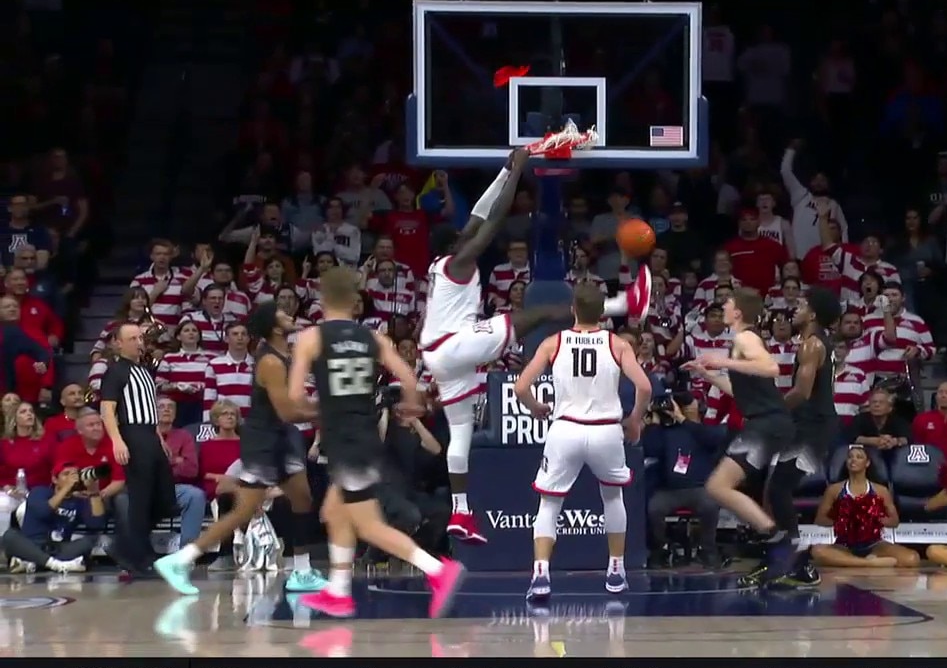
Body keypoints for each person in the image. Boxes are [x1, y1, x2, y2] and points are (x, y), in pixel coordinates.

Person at [418, 149, 652, 543]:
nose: (466, 232)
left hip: (438, 353)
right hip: (454, 343)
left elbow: (477, 215)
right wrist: (518, 175)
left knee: (460, 432)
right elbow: (491, 221)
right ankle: (623, 303)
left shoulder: (441, 264)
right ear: (456, 242)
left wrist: (505, 170)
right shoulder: (461, 261)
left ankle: (461, 512)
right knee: (537, 313)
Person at [292, 268, 465, 619]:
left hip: (344, 439)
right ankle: (338, 591)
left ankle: (437, 570)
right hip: (367, 436)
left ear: (323, 299)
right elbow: (409, 379)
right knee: (334, 512)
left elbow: (296, 397)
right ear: (354, 301)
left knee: (368, 524)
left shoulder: (312, 338)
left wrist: (318, 409)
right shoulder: (373, 338)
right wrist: (411, 406)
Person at [152, 302, 326, 596]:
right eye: (283, 314)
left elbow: (294, 403)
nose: (290, 315)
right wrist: (327, 411)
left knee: (302, 498)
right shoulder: (270, 362)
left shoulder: (285, 354)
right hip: (264, 441)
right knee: (243, 510)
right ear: (274, 327)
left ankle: (302, 571)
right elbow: (287, 411)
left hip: (281, 437)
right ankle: (179, 560)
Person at [514, 283, 651, 600]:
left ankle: (541, 575)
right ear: (603, 312)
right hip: (605, 430)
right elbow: (644, 387)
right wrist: (635, 419)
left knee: (549, 503)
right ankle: (616, 570)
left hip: (566, 429)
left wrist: (535, 407)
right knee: (612, 498)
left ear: (573, 309)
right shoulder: (617, 344)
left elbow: (521, 387)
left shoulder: (554, 342)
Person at [681, 288, 795, 583]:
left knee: (718, 486)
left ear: (739, 312)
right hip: (765, 423)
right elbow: (741, 393)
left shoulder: (746, 338)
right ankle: (776, 543)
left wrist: (722, 362)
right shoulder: (741, 341)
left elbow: (771, 368)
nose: (724, 307)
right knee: (719, 487)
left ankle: (779, 541)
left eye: (728, 304)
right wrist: (707, 374)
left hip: (767, 424)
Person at [743, 286, 844, 588]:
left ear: (812, 314)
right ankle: (793, 560)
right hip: (810, 425)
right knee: (774, 489)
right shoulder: (817, 342)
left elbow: (801, 392)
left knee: (779, 490)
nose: (795, 309)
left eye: (801, 305)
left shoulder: (811, 345)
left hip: (813, 427)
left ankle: (792, 560)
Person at [98, 323, 174, 574]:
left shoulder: (144, 370)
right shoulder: (115, 371)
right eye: (132, 338)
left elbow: (149, 407)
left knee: (165, 499)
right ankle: (138, 555)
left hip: (150, 434)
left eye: (140, 338)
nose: (138, 342)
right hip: (132, 434)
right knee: (140, 499)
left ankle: (125, 545)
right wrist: (117, 440)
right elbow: (107, 409)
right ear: (118, 343)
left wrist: (158, 437)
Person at [809, 445, 920, 568]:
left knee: (912, 559)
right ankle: (869, 563)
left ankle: (851, 562)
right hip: (843, 545)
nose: (853, 460)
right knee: (817, 551)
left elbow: (894, 521)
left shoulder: (880, 490)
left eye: (859, 457)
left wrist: (872, 519)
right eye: (850, 457)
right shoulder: (834, 490)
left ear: (867, 463)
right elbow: (819, 519)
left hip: (875, 545)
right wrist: (843, 520)